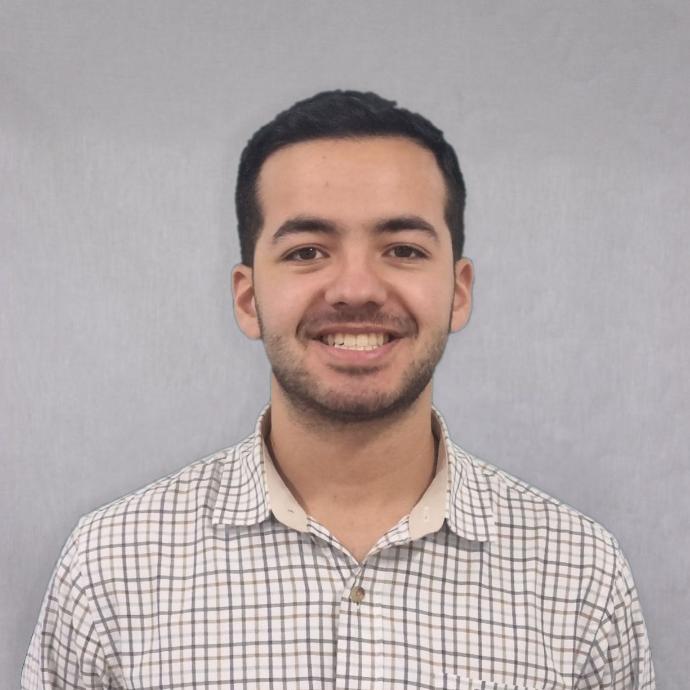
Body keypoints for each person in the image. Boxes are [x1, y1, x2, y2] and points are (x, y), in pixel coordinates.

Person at [22, 90, 655, 689]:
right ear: (248, 298)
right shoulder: (108, 568)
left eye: (402, 249)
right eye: (307, 252)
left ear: (458, 292)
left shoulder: (582, 577)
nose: (356, 289)